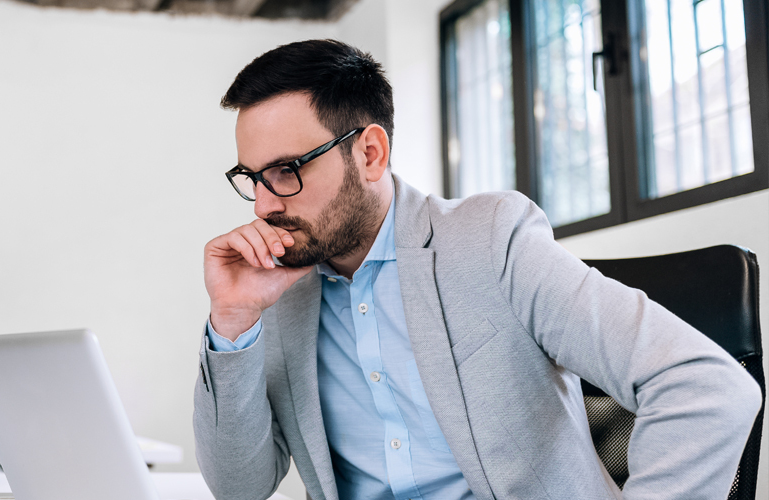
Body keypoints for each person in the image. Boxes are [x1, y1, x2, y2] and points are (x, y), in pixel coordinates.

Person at [193, 38, 761, 500]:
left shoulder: (491, 240)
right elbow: (240, 487)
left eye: (287, 170)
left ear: (370, 153)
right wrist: (234, 321)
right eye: (252, 177)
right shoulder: (282, 291)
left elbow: (707, 389)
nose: (265, 204)